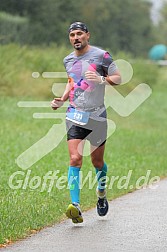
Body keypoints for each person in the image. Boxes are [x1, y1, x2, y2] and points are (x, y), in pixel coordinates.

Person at [51, 21, 121, 224]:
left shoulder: (101, 56)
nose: (76, 38)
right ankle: (76, 207)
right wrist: (62, 99)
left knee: (97, 163)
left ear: (88, 35)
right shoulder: (68, 60)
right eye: (72, 35)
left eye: (79, 34)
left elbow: (118, 77)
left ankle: (101, 194)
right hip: (75, 115)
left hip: (97, 116)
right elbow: (71, 81)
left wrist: (101, 80)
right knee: (75, 159)